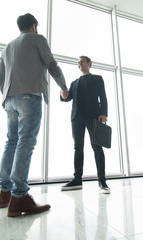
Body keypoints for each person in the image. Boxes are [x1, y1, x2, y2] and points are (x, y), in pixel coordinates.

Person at [0, 13, 68, 217]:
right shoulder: (37, 39)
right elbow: (52, 65)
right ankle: (19, 197)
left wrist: (9, 94)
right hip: (29, 96)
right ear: (34, 26)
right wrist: (64, 87)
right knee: (25, 142)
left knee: (11, 142)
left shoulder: (7, 47)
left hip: (10, 99)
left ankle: (5, 193)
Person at [60, 56, 110, 194]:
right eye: (78, 63)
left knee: (97, 148)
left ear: (89, 63)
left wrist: (104, 113)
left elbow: (103, 97)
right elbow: (67, 97)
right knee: (78, 148)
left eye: (82, 61)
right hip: (76, 118)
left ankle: (102, 181)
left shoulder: (97, 79)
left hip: (93, 116)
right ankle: (77, 179)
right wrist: (63, 96)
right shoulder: (74, 83)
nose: (79, 64)